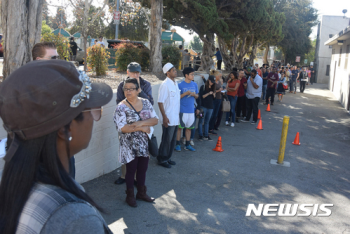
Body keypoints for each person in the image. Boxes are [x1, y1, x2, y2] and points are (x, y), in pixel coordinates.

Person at [0, 60, 113, 234]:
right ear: (64, 129)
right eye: (88, 109)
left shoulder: (15, 185)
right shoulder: (76, 219)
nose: (93, 117)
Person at [31, 42, 80, 180]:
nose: (57, 61)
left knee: (69, 187)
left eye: (57, 57)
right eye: (53, 58)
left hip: (64, 146)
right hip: (42, 152)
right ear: (38, 60)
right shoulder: (28, 85)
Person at [114, 78, 158, 207]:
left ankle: (141, 193)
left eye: (131, 89)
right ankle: (130, 195)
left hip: (144, 143)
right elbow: (122, 128)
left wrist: (139, 123)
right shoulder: (121, 107)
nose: (128, 91)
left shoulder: (146, 103)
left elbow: (155, 120)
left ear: (138, 90)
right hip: (129, 145)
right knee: (131, 170)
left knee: (143, 169)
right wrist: (142, 127)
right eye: (126, 89)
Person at [114, 62, 153, 185]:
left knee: (140, 153)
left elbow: (150, 102)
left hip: (142, 123)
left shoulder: (146, 84)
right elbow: (120, 103)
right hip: (127, 124)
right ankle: (124, 175)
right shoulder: (122, 85)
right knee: (126, 150)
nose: (136, 74)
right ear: (128, 72)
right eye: (133, 72)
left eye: (138, 72)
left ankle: (136, 179)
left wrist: (139, 91)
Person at [157, 63, 180, 168]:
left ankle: (168, 157)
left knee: (172, 139)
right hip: (168, 118)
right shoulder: (165, 84)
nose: (175, 71)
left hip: (175, 118)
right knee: (166, 139)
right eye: (173, 70)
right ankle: (162, 159)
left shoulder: (175, 83)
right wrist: (165, 117)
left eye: (175, 69)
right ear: (168, 72)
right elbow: (160, 102)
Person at [175, 67, 198, 152]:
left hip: (191, 110)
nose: (193, 76)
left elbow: (198, 96)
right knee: (179, 128)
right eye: (191, 74)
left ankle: (187, 145)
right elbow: (177, 98)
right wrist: (185, 93)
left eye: (193, 74)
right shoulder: (180, 85)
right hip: (182, 110)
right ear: (186, 75)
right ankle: (177, 144)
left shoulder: (194, 84)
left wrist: (195, 95)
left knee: (189, 128)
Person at [197, 75, 216, 141]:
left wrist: (213, 94)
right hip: (203, 107)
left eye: (213, 82)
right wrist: (208, 93)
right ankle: (200, 135)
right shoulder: (203, 87)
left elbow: (214, 99)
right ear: (208, 80)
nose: (212, 83)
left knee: (207, 122)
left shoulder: (213, 88)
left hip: (210, 108)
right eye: (211, 81)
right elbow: (201, 96)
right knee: (201, 121)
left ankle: (206, 135)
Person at [209, 70, 223, 135]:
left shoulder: (219, 82)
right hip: (214, 99)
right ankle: (210, 128)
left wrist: (221, 90)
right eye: (219, 75)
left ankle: (212, 127)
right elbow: (211, 91)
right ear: (216, 76)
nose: (220, 76)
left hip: (219, 99)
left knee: (216, 114)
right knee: (212, 115)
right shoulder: (213, 82)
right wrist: (218, 90)